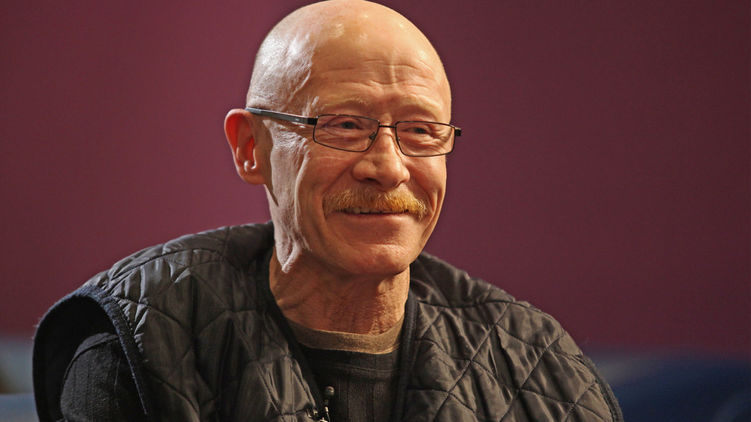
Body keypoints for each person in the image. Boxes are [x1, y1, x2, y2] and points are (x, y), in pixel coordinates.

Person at [33, 1, 623, 421]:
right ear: (251, 148)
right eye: (343, 125)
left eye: (421, 130)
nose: (388, 167)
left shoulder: (541, 366)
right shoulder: (137, 352)